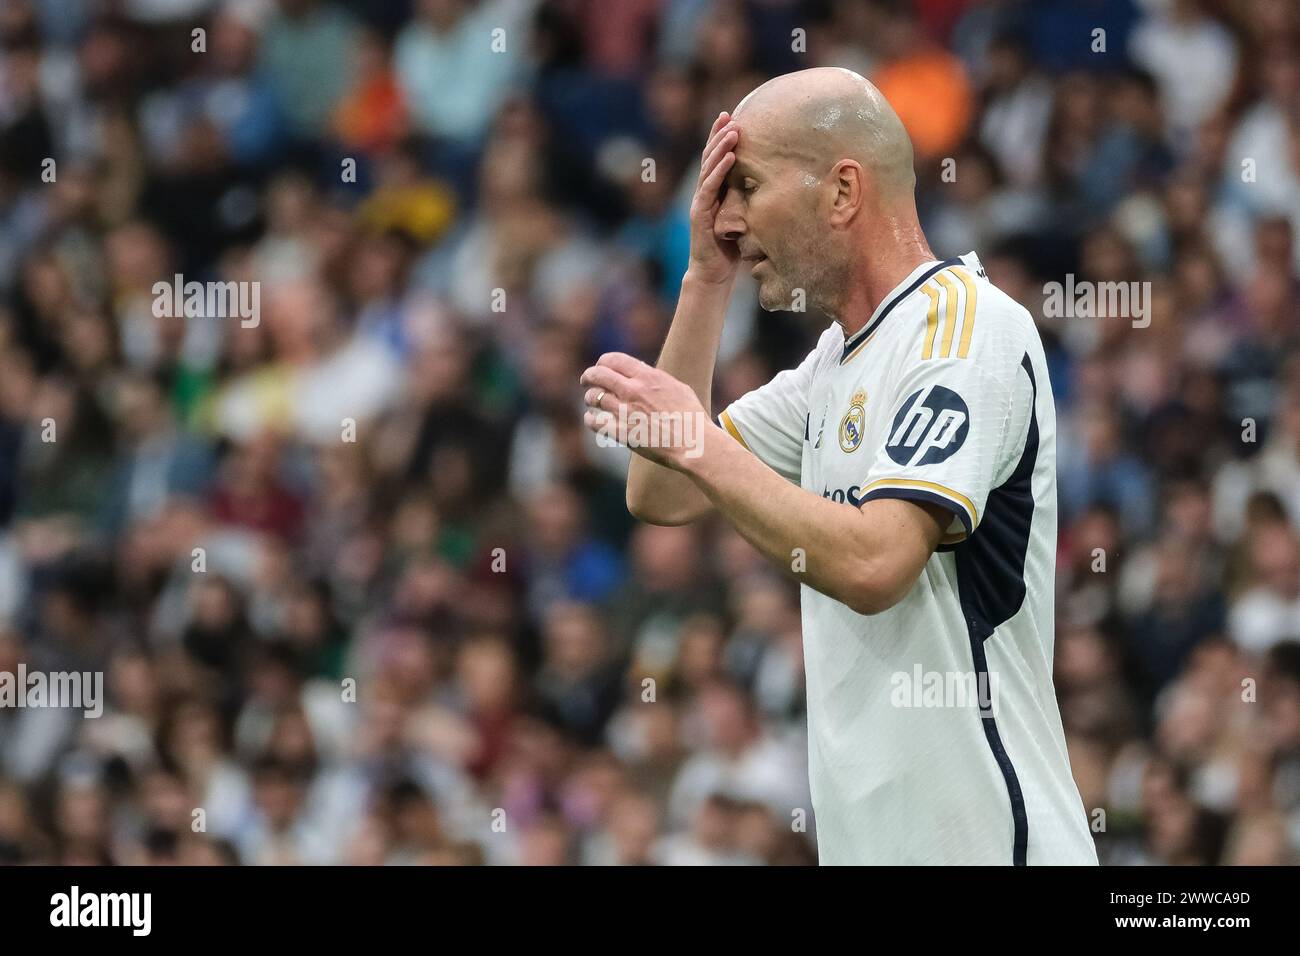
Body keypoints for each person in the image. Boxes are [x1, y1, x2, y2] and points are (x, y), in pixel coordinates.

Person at [579, 67, 1097, 865]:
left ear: (843, 191)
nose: (730, 217)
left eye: (746, 185)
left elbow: (878, 559)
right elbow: (661, 489)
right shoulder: (831, 367)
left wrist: (694, 435)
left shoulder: (965, 332)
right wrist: (705, 281)